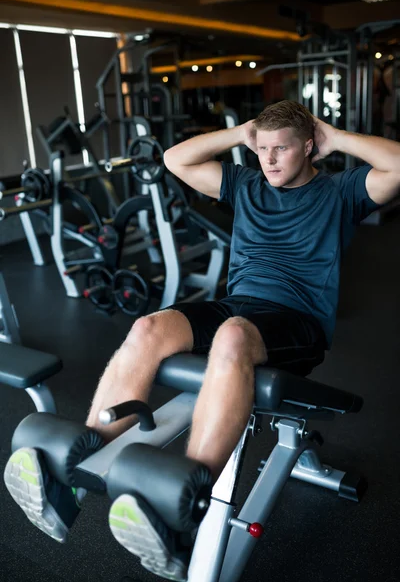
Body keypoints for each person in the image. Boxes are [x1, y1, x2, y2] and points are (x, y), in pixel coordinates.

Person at [5, 100, 400, 581]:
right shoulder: (247, 184)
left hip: (298, 320)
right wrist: (242, 134)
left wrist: (334, 135)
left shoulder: (341, 192)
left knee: (233, 337)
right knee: (149, 326)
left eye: (282, 149)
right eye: (263, 150)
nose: (269, 160)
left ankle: (182, 506)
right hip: (239, 304)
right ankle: (74, 476)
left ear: (310, 147)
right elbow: (175, 159)